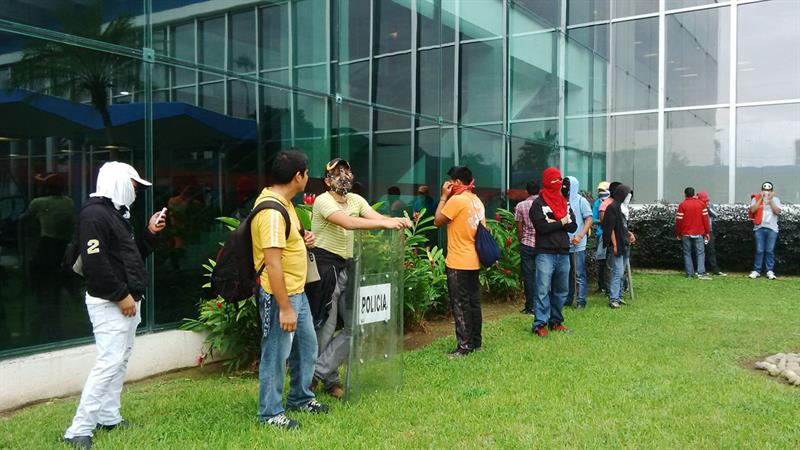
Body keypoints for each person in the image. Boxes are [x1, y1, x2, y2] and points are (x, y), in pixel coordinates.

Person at [63, 162, 166, 450]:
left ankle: (109, 416)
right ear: (119, 182)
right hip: (111, 303)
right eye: (133, 185)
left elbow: (130, 258)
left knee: (118, 360)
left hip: (126, 300)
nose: (135, 191)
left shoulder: (116, 214)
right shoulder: (95, 215)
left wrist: (149, 232)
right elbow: (95, 265)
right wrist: (121, 296)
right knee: (109, 362)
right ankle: (79, 429)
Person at [308, 158, 410, 399]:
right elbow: (349, 222)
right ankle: (328, 382)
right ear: (327, 180)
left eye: (346, 171)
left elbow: (374, 216)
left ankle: (317, 373)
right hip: (326, 267)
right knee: (326, 328)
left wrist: (396, 222)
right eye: (336, 172)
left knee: (354, 326)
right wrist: (383, 224)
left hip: (349, 266)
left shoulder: (355, 200)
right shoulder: (323, 201)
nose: (343, 175)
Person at [252, 149, 329, 430]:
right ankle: (270, 413)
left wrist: (302, 239)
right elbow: (272, 264)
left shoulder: (286, 204)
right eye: (307, 173)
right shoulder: (272, 211)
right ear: (298, 176)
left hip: (297, 291)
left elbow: (286, 244)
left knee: (307, 346)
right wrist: (284, 307)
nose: (308, 178)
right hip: (280, 295)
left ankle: (300, 398)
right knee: (275, 353)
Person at [434, 166, 486, 358]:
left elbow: (438, 220)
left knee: (460, 304)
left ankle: (464, 346)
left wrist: (442, 197)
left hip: (457, 261)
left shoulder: (456, 200)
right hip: (474, 260)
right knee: (473, 303)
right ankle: (476, 342)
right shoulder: (477, 201)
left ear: (456, 183)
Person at [529, 167, 577, 337]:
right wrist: (562, 221)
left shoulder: (565, 202)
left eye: (560, 179)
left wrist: (556, 221)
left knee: (562, 290)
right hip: (545, 253)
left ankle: (556, 321)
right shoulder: (538, 204)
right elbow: (542, 227)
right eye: (554, 180)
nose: (558, 183)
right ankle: (539, 324)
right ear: (547, 180)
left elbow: (573, 226)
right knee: (542, 290)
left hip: (564, 252)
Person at [602, 184, 635, 309]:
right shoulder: (612, 208)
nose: (629, 197)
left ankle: (619, 296)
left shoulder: (623, 208)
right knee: (618, 271)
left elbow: (623, 226)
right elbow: (610, 229)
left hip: (625, 243)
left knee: (622, 272)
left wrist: (630, 234)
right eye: (627, 195)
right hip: (618, 244)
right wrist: (615, 245)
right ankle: (614, 298)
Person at [565, 176, 593, 309]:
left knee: (579, 273)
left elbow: (589, 220)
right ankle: (568, 298)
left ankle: (581, 301)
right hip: (564, 244)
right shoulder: (561, 200)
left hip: (578, 244)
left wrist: (580, 236)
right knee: (567, 273)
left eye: (567, 186)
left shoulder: (582, 201)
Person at [514, 180, 539, 315]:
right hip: (542, 244)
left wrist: (521, 241)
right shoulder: (543, 204)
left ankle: (530, 306)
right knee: (541, 275)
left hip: (527, 244)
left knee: (528, 276)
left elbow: (519, 228)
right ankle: (541, 304)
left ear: (526, 191)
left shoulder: (521, 206)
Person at [748, 181, 782, 279]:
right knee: (759, 250)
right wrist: (761, 199)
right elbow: (753, 210)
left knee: (769, 250)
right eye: (764, 190)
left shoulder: (776, 199)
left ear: (772, 191)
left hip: (772, 228)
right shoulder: (756, 198)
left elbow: (777, 211)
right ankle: (756, 270)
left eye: (768, 190)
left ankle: (769, 271)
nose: (766, 192)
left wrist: (770, 200)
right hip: (759, 227)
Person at [676, 187, 711, 280]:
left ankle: (689, 273)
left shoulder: (682, 205)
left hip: (686, 233)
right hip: (699, 232)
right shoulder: (701, 204)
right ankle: (701, 273)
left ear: (685, 194)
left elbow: (679, 221)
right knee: (700, 253)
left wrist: (678, 233)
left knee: (687, 253)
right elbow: (705, 219)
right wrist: (707, 232)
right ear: (694, 194)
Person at [697, 192, 726, 276]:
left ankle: (715, 270)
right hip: (698, 230)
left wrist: (708, 208)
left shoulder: (710, 206)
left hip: (709, 230)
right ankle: (700, 269)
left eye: (706, 200)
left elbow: (716, 215)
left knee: (711, 250)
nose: (705, 202)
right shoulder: (697, 206)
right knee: (699, 251)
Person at [592, 181, 610, 293]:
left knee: (611, 261)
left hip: (611, 234)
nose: (600, 192)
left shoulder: (612, 202)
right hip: (600, 235)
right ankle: (601, 285)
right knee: (601, 261)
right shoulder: (597, 203)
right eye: (599, 190)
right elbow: (593, 219)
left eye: (603, 190)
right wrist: (603, 221)